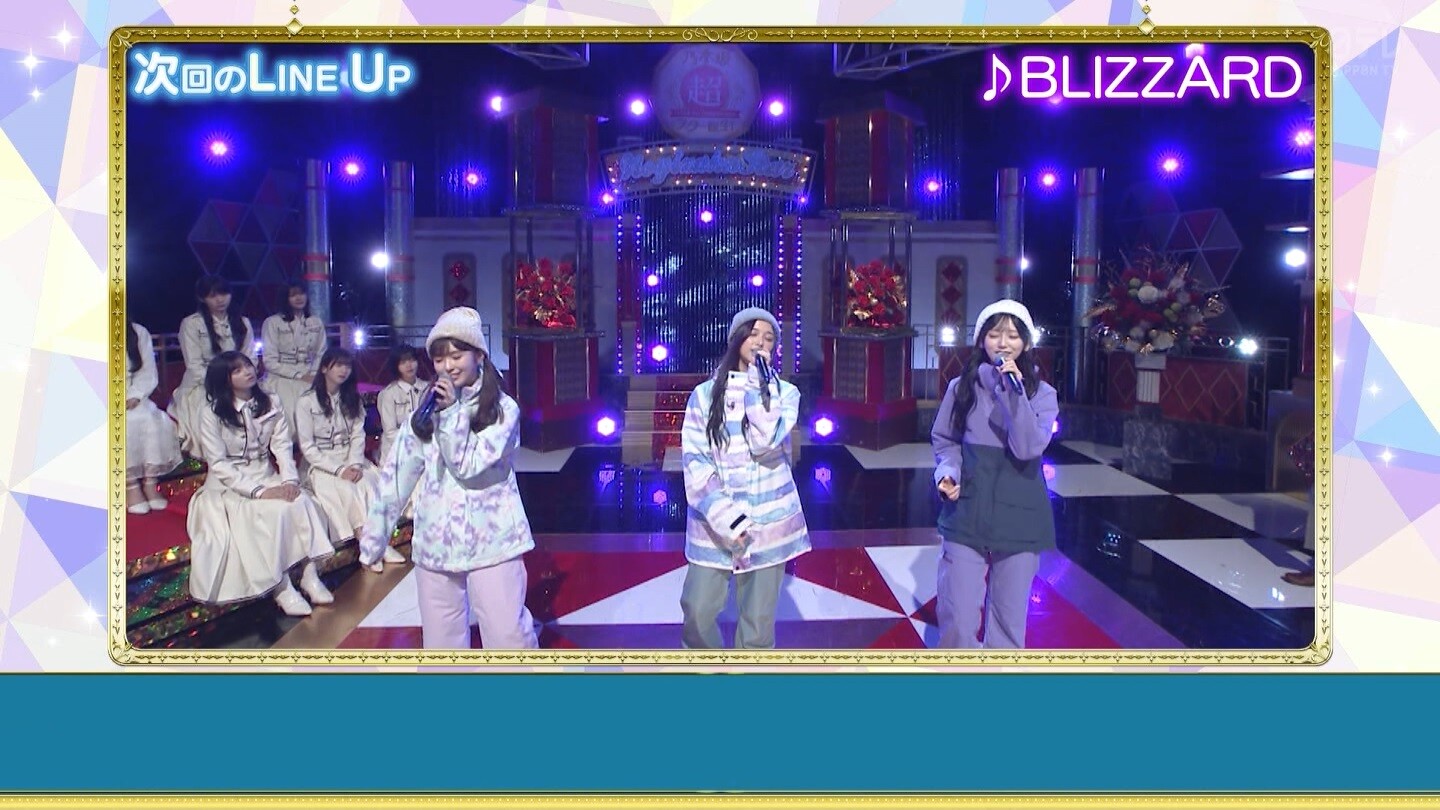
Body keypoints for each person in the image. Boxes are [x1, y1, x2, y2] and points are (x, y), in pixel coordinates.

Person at [358, 307, 538, 649]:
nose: (448, 366)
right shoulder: (424, 414)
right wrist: (374, 539)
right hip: (436, 540)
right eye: (440, 359)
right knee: (442, 643)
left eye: (457, 356)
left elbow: (468, 465)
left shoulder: (503, 410)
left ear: (479, 355)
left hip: (493, 539)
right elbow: (396, 477)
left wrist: (452, 412)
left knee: (507, 636)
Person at [679, 307, 810, 649]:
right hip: (713, 527)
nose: (761, 343)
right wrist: (727, 518)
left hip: (766, 526)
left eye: (769, 339)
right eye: (754, 334)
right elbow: (695, 461)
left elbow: (764, 441)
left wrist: (758, 386)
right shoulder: (704, 395)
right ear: (737, 338)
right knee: (697, 610)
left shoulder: (785, 394)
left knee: (757, 626)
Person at [930, 299, 1058, 649]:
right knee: (958, 618)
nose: (1003, 343)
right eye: (994, 334)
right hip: (967, 512)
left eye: (1013, 336)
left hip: (1020, 516)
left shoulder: (1043, 396)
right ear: (981, 340)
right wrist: (948, 473)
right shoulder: (961, 388)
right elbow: (945, 440)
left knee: (1008, 624)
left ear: (1026, 344)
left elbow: (1027, 448)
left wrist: (1013, 394)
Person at [185, 351, 336, 617]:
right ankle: (282, 586)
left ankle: (310, 575)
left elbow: (282, 446)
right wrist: (260, 492)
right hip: (229, 486)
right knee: (270, 513)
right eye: (237, 370)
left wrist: (289, 480)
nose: (248, 371)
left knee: (303, 502)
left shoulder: (271, 401)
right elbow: (218, 464)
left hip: (267, 474)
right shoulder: (211, 412)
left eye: (248, 365)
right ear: (224, 379)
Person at [293, 347, 405, 564]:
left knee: (369, 483)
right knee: (345, 488)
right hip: (322, 464)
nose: (344, 370)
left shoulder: (352, 399)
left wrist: (354, 463)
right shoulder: (306, 402)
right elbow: (308, 447)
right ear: (324, 368)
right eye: (338, 365)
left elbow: (357, 435)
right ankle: (367, 543)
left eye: (347, 366)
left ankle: (378, 542)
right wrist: (339, 470)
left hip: (351, 459)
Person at [169, 276, 256, 457]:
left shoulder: (242, 322)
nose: (220, 300)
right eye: (212, 296)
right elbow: (194, 364)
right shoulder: (191, 324)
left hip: (239, 380)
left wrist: (241, 378)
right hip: (204, 384)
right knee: (210, 411)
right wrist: (223, 383)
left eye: (223, 294)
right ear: (202, 298)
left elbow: (249, 357)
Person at [124, 318, 182, 514]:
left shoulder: (137, 332)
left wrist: (135, 395)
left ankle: (150, 482)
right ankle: (130, 485)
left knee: (154, 419)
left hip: (131, 395)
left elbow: (147, 371)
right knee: (125, 423)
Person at [261, 283, 327, 433]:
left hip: (310, 374)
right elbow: (269, 360)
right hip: (282, 375)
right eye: (293, 295)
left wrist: (313, 373)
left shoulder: (316, 322)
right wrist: (298, 375)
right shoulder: (273, 323)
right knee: (289, 410)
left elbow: (321, 353)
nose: (299, 298)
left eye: (301, 293)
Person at [376, 343, 430, 466]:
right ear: (396, 366)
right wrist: (414, 442)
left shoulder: (428, 389)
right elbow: (390, 432)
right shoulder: (388, 393)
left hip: (426, 448)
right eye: (403, 362)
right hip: (397, 452)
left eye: (412, 360)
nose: (409, 365)